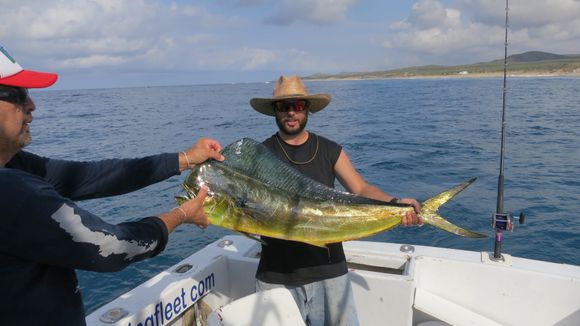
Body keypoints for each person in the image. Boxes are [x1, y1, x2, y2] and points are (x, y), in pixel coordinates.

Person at [0, 45, 224, 326]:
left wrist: (186, 159)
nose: (32, 105)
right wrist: (181, 215)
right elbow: (113, 247)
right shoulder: (9, 190)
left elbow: (94, 177)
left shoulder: (15, 166)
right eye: (18, 94)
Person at [250, 75, 422, 326]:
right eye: (283, 106)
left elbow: (360, 187)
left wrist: (394, 202)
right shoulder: (260, 155)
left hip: (330, 273)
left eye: (297, 106)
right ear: (274, 111)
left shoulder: (330, 150)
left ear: (307, 109)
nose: (291, 113)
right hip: (276, 275)